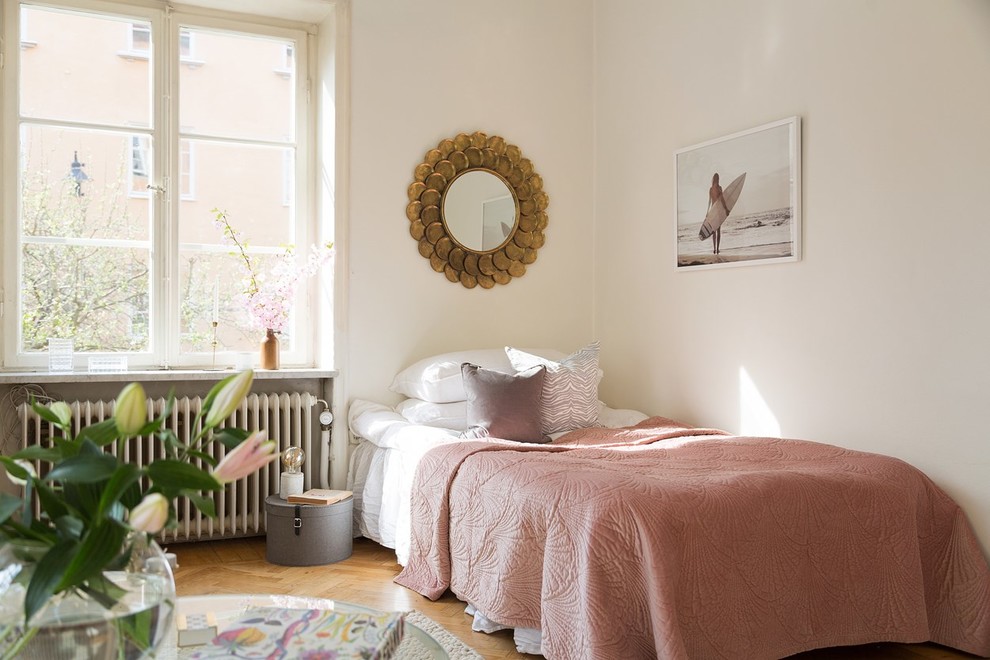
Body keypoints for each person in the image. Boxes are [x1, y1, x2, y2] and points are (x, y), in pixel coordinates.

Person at [707, 172, 730, 255]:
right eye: (718, 178)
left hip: (714, 211)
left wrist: (707, 212)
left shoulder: (712, 189)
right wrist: (726, 209)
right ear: (717, 179)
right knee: (717, 231)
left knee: (715, 231)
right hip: (717, 211)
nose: (718, 180)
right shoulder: (718, 188)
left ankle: (715, 249)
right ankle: (716, 249)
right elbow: (722, 200)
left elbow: (710, 201)